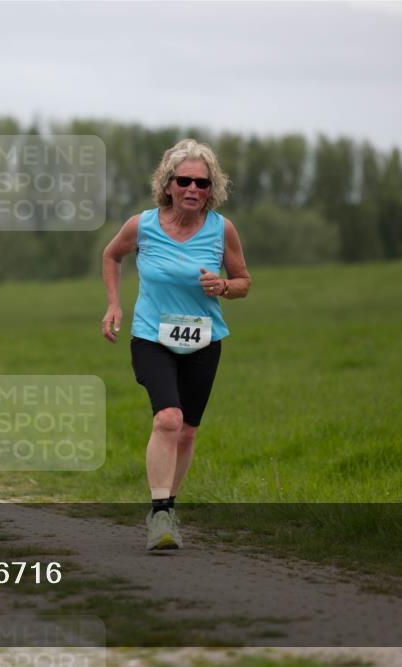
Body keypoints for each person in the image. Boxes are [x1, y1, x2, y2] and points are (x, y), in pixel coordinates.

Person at [101, 139, 251, 551]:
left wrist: (223, 285)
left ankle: (168, 506)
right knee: (167, 418)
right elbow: (111, 255)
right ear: (168, 184)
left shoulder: (223, 230)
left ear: (212, 188)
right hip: (152, 336)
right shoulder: (142, 225)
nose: (192, 190)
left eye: (202, 184)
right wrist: (114, 305)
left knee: (186, 432)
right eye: (184, 181)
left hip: (204, 340)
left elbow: (243, 283)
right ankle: (161, 512)